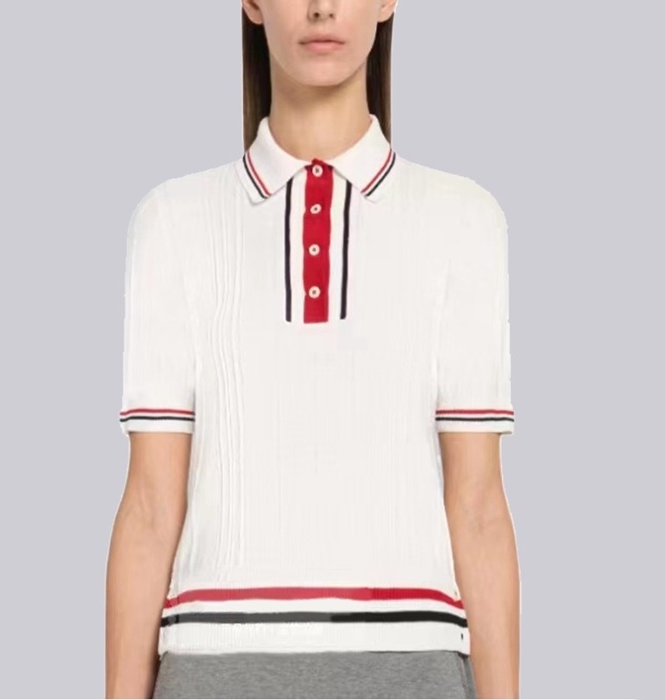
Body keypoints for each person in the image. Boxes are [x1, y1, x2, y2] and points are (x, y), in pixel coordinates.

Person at [106, 1, 520, 698]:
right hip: (214, 667)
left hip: (412, 665)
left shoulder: (464, 221)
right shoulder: (173, 223)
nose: (322, 7)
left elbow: (478, 507)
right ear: (252, 3)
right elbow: (149, 504)